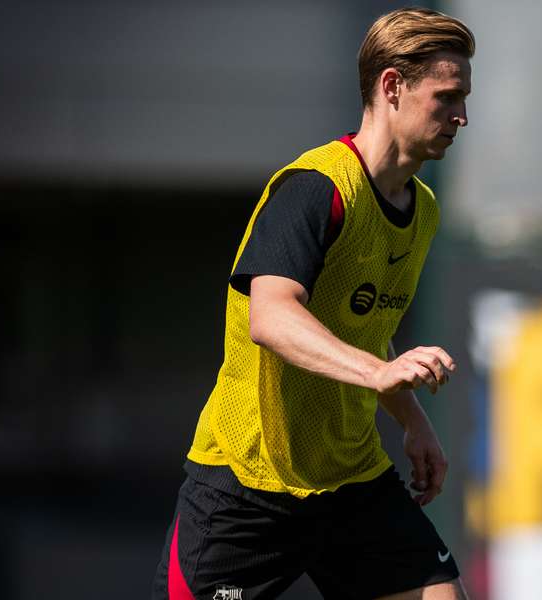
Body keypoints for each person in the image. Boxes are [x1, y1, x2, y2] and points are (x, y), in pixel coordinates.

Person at [152, 7, 474, 599]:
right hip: (248, 485)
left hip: (350, 480)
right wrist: (382, 374)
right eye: (447, 96)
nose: (462, 115)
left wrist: (413, 418)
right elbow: (271, 317)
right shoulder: (315, 187)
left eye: (464, 98)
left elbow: (366, 328)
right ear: (393, 86)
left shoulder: (422, 210)